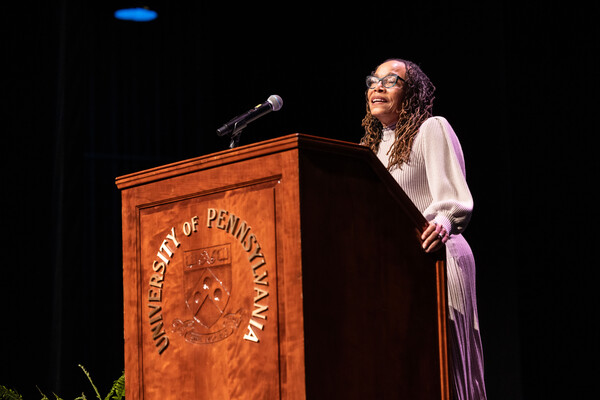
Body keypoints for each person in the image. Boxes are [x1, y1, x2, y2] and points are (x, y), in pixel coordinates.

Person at [360, 58, 487, 400]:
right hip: (396, 266)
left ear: (411, 92)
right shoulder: (367, 151)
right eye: (374, 81)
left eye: (392, 81)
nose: (379, 87)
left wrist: (443, 222)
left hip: (438, 257)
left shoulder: (431, 129)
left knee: (446, 365)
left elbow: (454, 200)